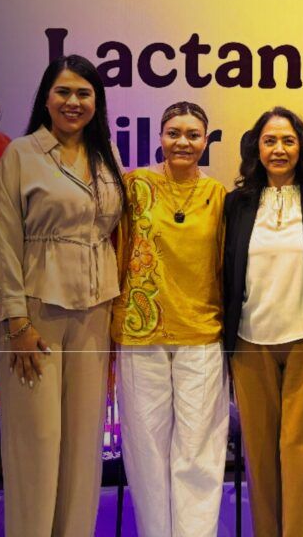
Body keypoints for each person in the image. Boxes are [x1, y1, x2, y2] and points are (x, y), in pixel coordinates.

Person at [0, 55, 125, 537]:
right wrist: (15, 322)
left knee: (84, 447)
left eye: (84, 93)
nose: (73, 101)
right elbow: (3, 242)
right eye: (63, 91)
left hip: (95, 311)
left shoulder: (106, 154)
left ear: (96, 102)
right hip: (36, 313)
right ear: (45, 97)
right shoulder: (21, 154)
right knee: (37, 444)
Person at [223, 107, 303, 537]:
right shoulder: (236, 203)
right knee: (258, 454)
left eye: (288, 141)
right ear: (256, 147)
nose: (279, 149)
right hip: (249, 341)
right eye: (270, 140)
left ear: (301, 147)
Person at [111, 101, 228, 537]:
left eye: (193, 134)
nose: (183, 142)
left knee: (199, 454)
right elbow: (117, 253)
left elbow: (224, 265)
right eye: (174, 133)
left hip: (202, 332)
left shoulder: (217, 195)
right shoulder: (134, 186)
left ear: (206, 141)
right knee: (146, 452)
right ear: (160, 137)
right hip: (140, 332)